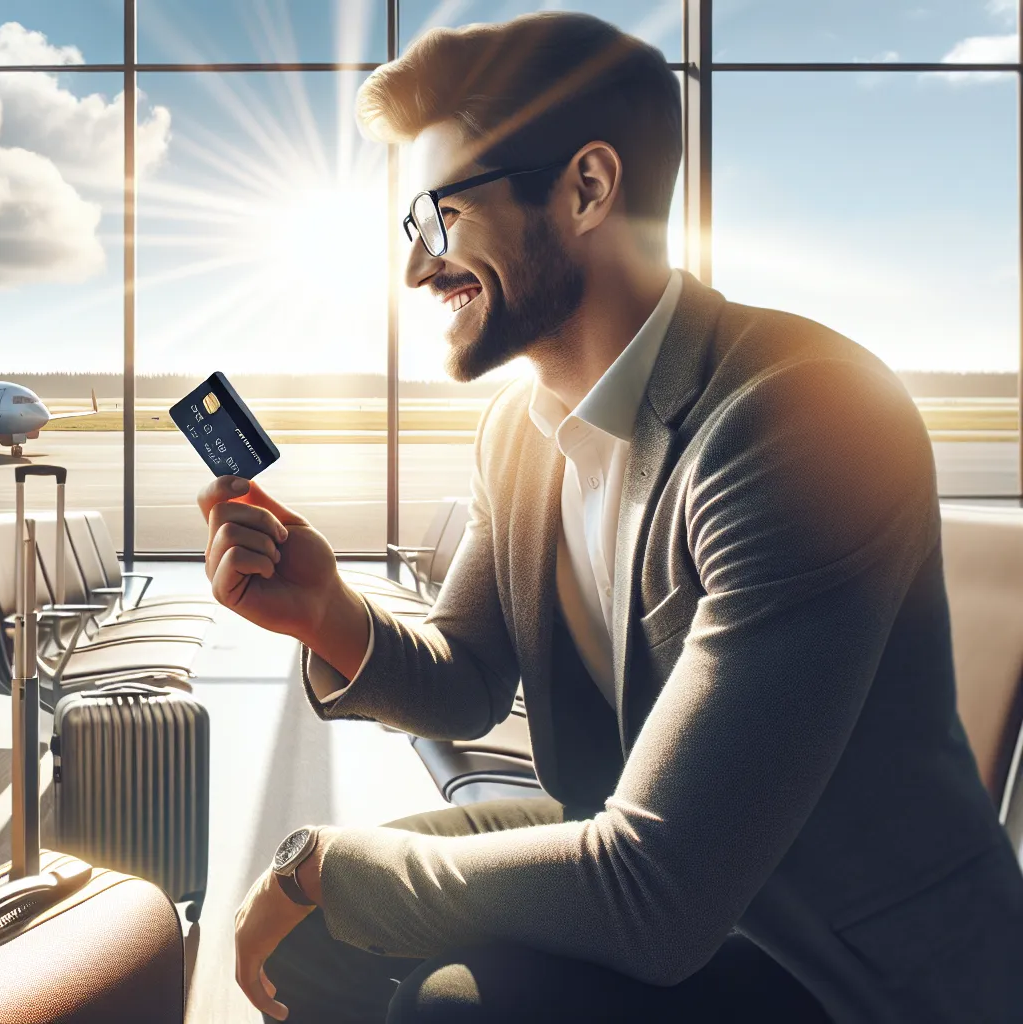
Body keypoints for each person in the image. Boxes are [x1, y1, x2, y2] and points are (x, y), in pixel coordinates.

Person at [199, 12, 1023, 1024]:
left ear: (588, 187)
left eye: (440, 215)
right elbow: (467, 680)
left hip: (832, 958)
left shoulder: (801, 417)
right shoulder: (519, 428)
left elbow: (655, 895)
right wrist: (323, 610)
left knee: (447, 998)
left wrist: (319, 864)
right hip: (659, 859)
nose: (416, 268)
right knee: (323, 933)